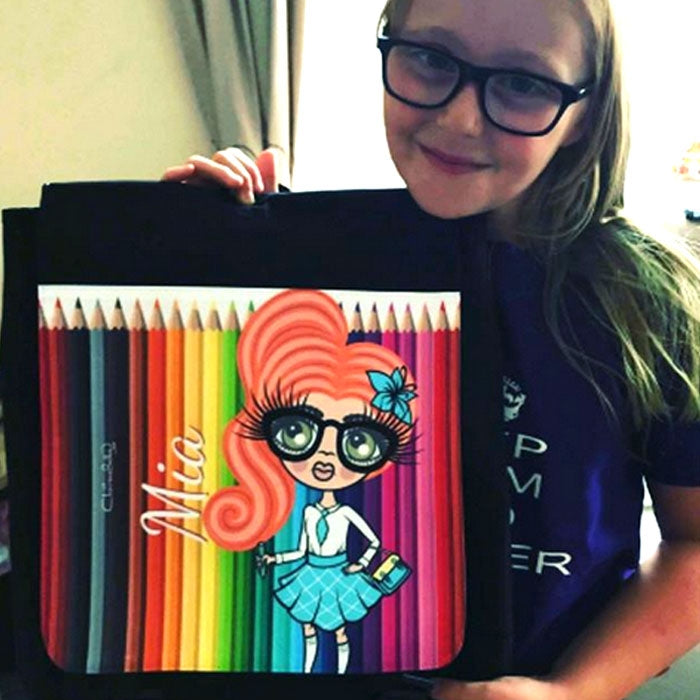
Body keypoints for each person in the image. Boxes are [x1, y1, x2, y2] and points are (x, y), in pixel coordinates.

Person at [163, 0, 700, 698]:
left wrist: (573, 691)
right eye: (430, 59)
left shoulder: (648, 302)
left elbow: (694, 543)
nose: (461, 119)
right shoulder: (315, 254)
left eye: (524, 83)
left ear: (585, 114)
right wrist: (195, 253)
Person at [202, 289, 418, 675]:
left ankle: (339, 677)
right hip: (311, 574)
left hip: (338, 575)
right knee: (307, 629)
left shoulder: (346, 513)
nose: (325, 455)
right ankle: (307, 671)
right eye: (297, 432)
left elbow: (371, 541)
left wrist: (360, 565)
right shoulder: (308, 513)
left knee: (339, 632)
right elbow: (301, 549)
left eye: (358, 442)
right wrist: (275, 559)